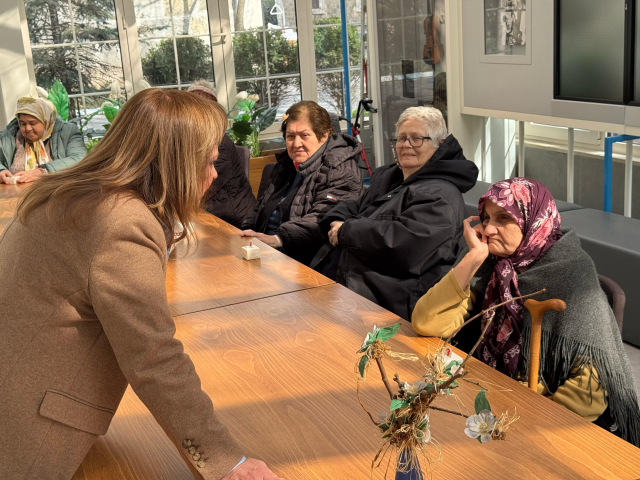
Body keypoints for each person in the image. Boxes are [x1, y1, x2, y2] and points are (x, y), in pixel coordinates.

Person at [0, 89, 282, 480]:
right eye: (210, 162)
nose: (215, 175)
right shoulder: (121, 222)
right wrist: (227, 462)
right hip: (37, 430)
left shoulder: (64, 191)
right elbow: (153, 356)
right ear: (178, 163)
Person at [411, 178, 640, 446]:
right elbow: (427, 323)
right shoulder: (494, 267)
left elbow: (590, 392)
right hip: (491, 399)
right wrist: (472, 258)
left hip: (546, 428)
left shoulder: (573, 275)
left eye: (503, 218)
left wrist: (528, 427)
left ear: (532, 220)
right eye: (485, 217)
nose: (489, 228)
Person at [311, 106, 478, 321]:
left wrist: (347, 231)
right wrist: (337, 221)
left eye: (416, 138)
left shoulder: (441, 195)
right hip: (342, 288)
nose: (406, 145)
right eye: (401, 139)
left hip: (385, 307)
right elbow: (354, 206)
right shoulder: (392, 178)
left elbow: (405, 247)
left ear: (439, 144)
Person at [240, 101, 363, 266]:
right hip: (267, 252)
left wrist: (277, 239)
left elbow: (321, 221)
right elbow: (260, 207)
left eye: (304, 135)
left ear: (324, 135)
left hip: (303, 262)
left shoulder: (341, 171)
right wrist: (245, 232)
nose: (296, 144)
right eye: (290, 136)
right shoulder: (286, 164)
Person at [188, 80, 256, 228]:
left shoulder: (219, 142)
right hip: (214, 214)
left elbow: (203, 185)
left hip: (235, 221)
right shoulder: (198, 139)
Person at [0, 96, 85, 184]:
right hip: (15, 193)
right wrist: (1, 170)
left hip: (57, 189)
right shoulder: (9, 135)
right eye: (23, 124)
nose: (27, 128)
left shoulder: (68, 131)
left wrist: (44, 170)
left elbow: (78, 159)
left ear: (46, 121)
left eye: (32, 123)